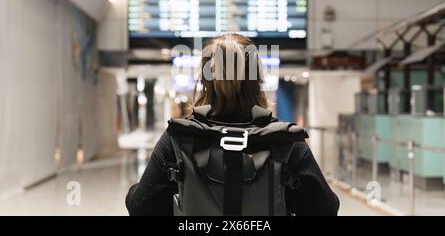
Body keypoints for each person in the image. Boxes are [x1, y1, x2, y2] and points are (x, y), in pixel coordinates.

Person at [125, 33, 339, 216]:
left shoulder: (179, 138)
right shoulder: (284, 141)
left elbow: (140, 206)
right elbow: (326, 208)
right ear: (257, 83)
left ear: (205, 82)